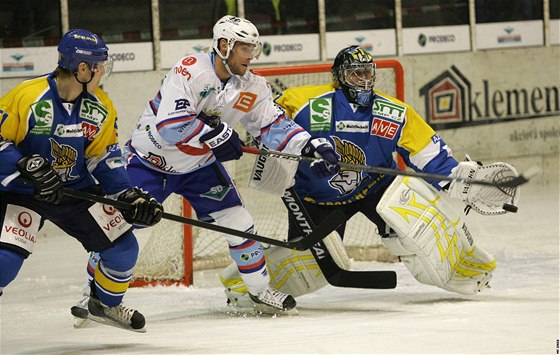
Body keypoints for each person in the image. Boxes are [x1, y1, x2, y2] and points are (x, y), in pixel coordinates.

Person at [71, 15, 339, 320]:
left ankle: (259, 291)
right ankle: (89, 292)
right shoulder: (190, 70)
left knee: (239, 221)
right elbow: (171, 125)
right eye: (244, 48)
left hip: (198, 167)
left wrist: (310, 146)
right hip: (150, 162)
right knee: (120, 227)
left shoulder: (252, 85)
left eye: (254, 48)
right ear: (223, 45)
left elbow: (273, 123)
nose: (251, 56)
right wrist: (219, 135)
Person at [219, 45, 520, 300]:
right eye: (355, 74)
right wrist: (232, 138)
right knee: (308, 265)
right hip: (315, 198)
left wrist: (459, 178)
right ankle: (243, 285)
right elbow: (265, 125)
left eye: (368, 73)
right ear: (339, 77)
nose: (363, 81)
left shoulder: (392, 112)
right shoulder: (303, 103)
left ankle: (464, 265)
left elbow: (426, 151)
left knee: (415, 228)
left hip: (377, 187)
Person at [0, 29, 163, 332]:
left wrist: (127, 196)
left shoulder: (100, 106)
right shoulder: (27, 96)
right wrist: (22, 164)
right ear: (83, 68)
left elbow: (105, 157)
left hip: (73, 192)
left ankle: (103, 304)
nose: (103, 71)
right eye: (99, 65)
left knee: (123, 248)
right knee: (4, 263)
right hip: (23, 192)